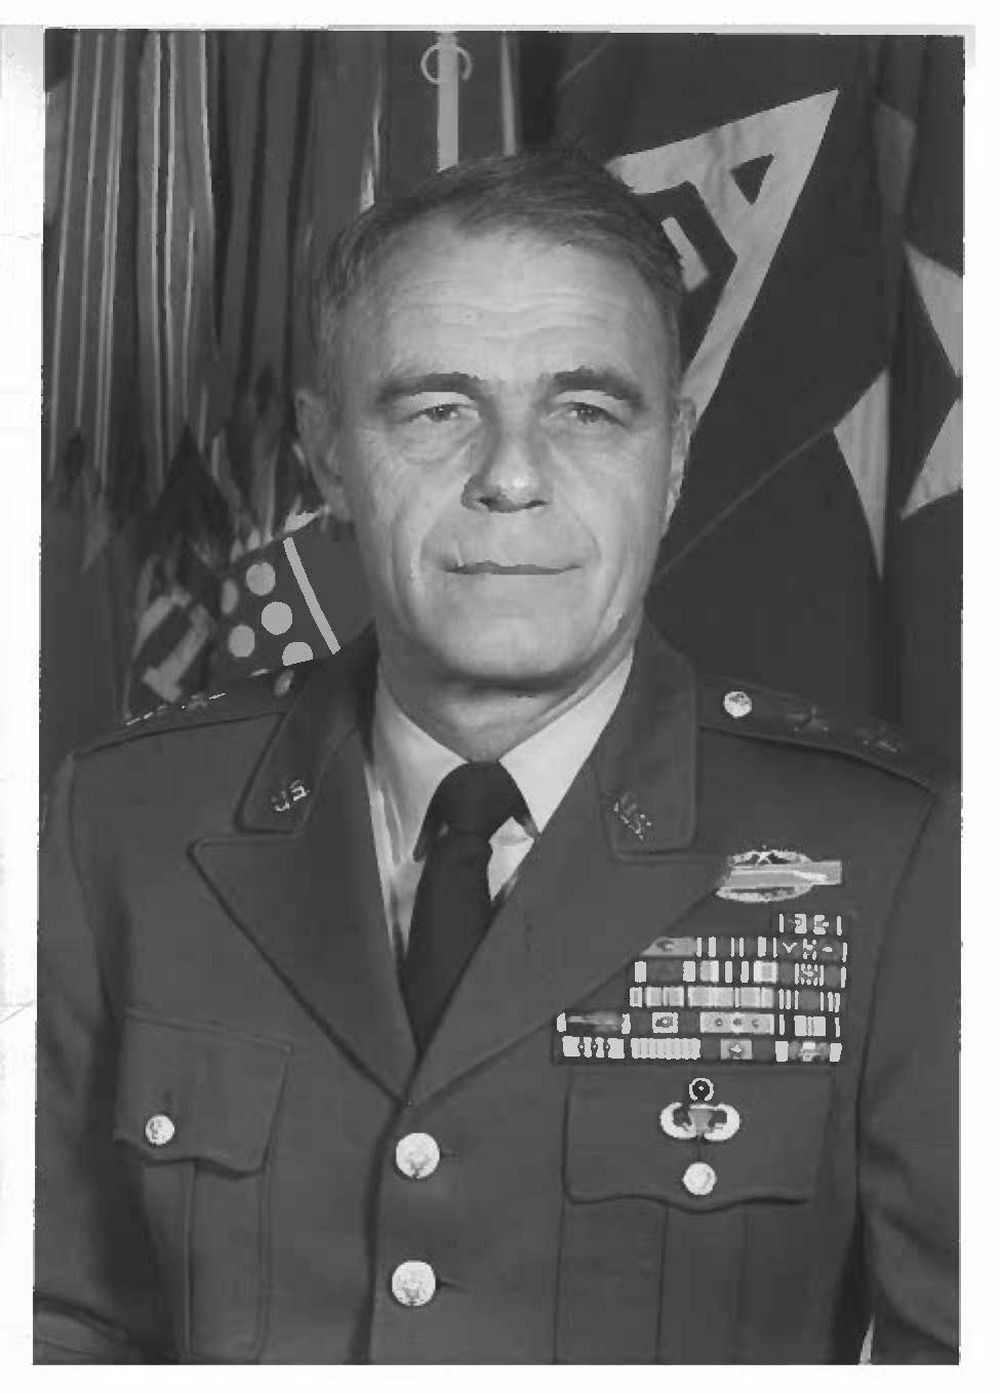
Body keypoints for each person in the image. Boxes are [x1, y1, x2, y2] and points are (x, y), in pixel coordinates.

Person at [35, 148, 958, 1364]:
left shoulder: (890, 855)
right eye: (437, 410)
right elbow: (55, 1322)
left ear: (674, 456)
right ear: (327, 455)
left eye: (586, 411)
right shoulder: (128, 821)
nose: (512, 475)